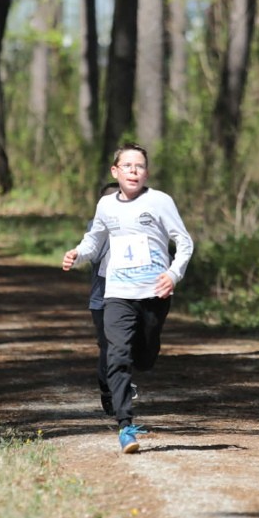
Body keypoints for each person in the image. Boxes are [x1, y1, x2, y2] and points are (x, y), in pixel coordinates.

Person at [63, 143, 194, 453]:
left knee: (145, 358)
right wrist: (77, 254)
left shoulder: (160, 202)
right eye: (127, 166)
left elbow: (184, 243)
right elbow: (93, 242)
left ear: (146, 172)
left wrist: (173, 275)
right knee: (117, 355)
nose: (133, 171)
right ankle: (125, 426)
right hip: (117, 294)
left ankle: (145, 354)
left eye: (139, 166)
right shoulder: (106, 206)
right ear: (115, 171)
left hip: (154, 293)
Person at [88, 181, 123, 417]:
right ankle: (108, 388)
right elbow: (93, 255)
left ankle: (121, 383)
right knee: (108, 346)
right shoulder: (95, 227)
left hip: (130, 295)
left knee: (127, 345)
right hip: (102, 299)